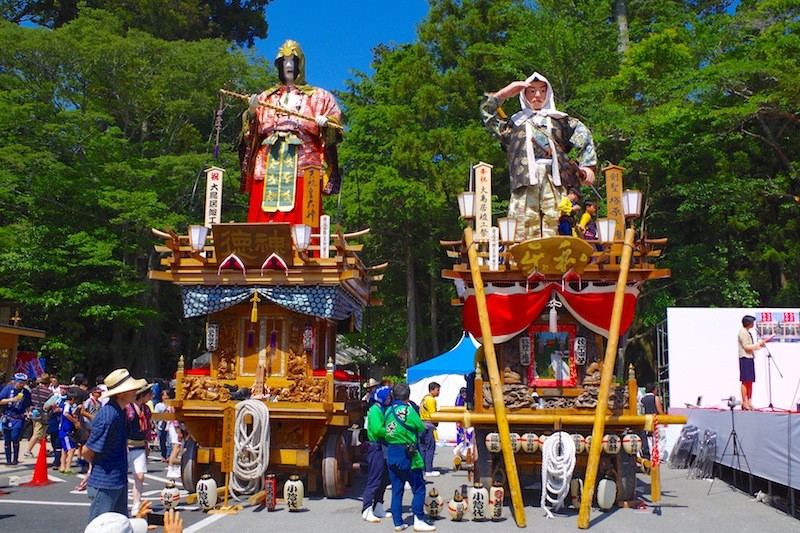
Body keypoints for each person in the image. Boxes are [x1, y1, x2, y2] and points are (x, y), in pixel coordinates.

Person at [481, 72, 597, 241]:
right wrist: (503, 94)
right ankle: (524, 261)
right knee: (523, 219)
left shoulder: (560, 120)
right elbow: (488, 116)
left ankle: (557, 260)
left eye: (542, 91)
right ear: (524, 94)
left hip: (554, 178)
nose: (537, 95)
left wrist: (588, 166)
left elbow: (583, 136)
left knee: (556, 217)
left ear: (548, 93)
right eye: (532, 91)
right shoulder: (515, 123)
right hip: (525, 178)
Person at [239, 39, 343, 224]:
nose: (288, 65)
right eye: (284, 61)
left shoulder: (319, 96)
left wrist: (325, 124)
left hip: (304, 163)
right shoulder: (265, 97)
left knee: (303, 215)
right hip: (269, 161)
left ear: (300, 64)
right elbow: (250, 134)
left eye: (292, 61)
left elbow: (336, 125)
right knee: (264, 212)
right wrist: (252, 113)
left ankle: (304, 247)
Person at [84, 368, 147, 523]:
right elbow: (87, 450)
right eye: (131, 389)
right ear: (120, 393)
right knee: (100, 526)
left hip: (116, 479)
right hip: (105, 482)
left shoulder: (118, 411)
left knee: (119, 525)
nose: (135, 391)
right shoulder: (109, 415)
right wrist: (99, 465)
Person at [383, 383, 434, 532]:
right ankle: (418, 519)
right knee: (418, 487)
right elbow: (419, 426)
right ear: (408, 396)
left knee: (397, 490)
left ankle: (398, 522)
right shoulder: (408, 410)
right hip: (408, 453)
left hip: (391, 452)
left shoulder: (388, 411)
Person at [360, 385, 393, 523]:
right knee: (374, 478)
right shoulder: (374, 410)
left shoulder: (382, 409)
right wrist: (391, 431)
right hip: (375, 447)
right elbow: (377, 429)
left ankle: (378, 505)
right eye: (388, 396)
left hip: (383, 446)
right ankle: (367, 508)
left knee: (384, 478)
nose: (390, 398)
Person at [125, 383, 154, 515]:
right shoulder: (128, 408)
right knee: (120, 476)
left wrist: (147, 444)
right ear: (142, 395)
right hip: (126, 445)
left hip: (140, 445)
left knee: (140, 475)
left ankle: (136, 504)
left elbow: (147, 428)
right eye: (149, 393)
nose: (151, 396)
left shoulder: (146, 409)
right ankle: (121, 503)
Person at [0, 372, 32, 466]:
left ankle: (15, 459)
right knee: (7, 439)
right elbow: (1, 401)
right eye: (20, 382)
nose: (22, 384)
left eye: (23, 383)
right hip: (7, 416)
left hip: (18, 418)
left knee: (15, 437)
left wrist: (29, 412)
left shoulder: (25, 392)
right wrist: (12, 400)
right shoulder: (8, 389)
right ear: (15, 382)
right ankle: (8, 459)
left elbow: (28, 404)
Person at [738, 315, 765, 411]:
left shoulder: (748, 332)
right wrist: (758, 345)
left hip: (750, 358)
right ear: (749, 323)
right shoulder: (743, 332)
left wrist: (760, 346)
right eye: (752, 322)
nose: (753, 324)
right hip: (745, 358)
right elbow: (746, 347)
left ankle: (750, 402)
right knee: (745, 381)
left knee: (750, 381)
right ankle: (744, 402)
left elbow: (751, 347)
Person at [24, 373, 53, 458]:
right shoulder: (49, 392)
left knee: (42, 433)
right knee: (37, 433)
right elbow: (50, 404)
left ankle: (43, 449)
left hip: (33, 413)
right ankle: (28, 451)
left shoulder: (33, 390)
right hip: (42, 414)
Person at [419, 382, 440, 477]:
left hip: (421, 425)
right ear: (432, 390)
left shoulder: (424, 398)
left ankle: (422, 469)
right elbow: (433, 414)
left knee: (422, 448)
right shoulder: (431, 400)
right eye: (437, 390)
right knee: (430, 448)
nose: (438, 392)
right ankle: (429, 469)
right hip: (429, 425)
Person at [639, 382, 665, 459]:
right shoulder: (655, 398)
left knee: (650, 438)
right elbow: (659, 410)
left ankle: (651, 454)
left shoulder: (642, 399)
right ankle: (659, 455)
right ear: (654, 389)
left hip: (647, 420)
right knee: (661, 438)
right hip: (656, 419)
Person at [59, 389, 81, 474]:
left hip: (62, 430)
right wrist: (75, 422)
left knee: (64, 449)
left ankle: (62, 466)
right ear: (72, 399)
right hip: (66, 431)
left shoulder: (64, 405)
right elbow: (66, 414)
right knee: (71, 449)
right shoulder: (67, 406)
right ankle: (68, 467)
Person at [154, 389, 171, 461]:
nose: (165, 397)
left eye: (167, 395)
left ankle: (168, 456)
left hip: (169, 425)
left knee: (169, 442)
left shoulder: (171, 405)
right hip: (161, 425)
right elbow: (156, 415)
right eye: (163, 395)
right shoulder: (158, 405)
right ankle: (163, 455)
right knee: (162, 441)